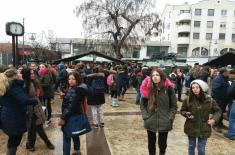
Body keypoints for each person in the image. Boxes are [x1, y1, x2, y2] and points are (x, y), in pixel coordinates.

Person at [0, 68, 37, 155]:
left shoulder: (6, 86)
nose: (21, 74)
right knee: (14, 142)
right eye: (19, 73)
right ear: (15, 76)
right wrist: (35, 100)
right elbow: (24, 100)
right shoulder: (14, 87)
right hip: (14, 119)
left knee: (12, 140)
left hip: (7, 117)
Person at [140, 68, 177, 155]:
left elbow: (173, 106)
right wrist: (145, 116)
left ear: (161, 76)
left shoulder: (168, 89)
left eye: (157, 75)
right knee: (151, 143)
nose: (155, 77)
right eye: (153, 75)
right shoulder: (147, 88)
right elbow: (143, 105)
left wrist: (170, 117)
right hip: (150, 119)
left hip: (165, 120)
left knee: (162, 144)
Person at [180, 79, 221, 155]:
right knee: (191, 146)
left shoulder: (210, 100)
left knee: (201, 148)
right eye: (193, 88)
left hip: (204, 127)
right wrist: (186, 113)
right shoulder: (188, 99)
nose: (195, 89)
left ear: (201, 88)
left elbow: (218, 111)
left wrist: (214, 120)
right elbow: (182, 110)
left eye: (197, 87)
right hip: (191, 127)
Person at [58, 71, 91, 155]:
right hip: (75, 115)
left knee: (66, 138)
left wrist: (63, 118)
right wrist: (65, 95)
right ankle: (77, 151)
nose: (70, 81)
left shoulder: (75, 90)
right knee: (75, 133)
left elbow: (70, 107)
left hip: (69, 116)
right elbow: (73, 101)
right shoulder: (75, 89)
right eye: (69, 79)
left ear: (77, 80)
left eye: (73, 79)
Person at [21, 68, 55, 151]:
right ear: (26, 75)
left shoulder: (33, 82)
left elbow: (38, 95)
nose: (33, 75)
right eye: (31, 74)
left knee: (35, 128)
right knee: (36, 128)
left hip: (36, 108)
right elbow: (25, 99)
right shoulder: (25, 85)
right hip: (31, 110)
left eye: (33, 73)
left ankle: (30, 144)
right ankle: (45, 143)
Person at [211, 67, 230, 132]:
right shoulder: (218, 79)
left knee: (222, 112)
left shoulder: (225, 78)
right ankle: (215, 125)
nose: (228, 73)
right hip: (219, 100)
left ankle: (220, 124)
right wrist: (219, 99)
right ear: (224, 72)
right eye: (227, 72)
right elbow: (215, 90)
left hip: (224, 100)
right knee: (218, 112)